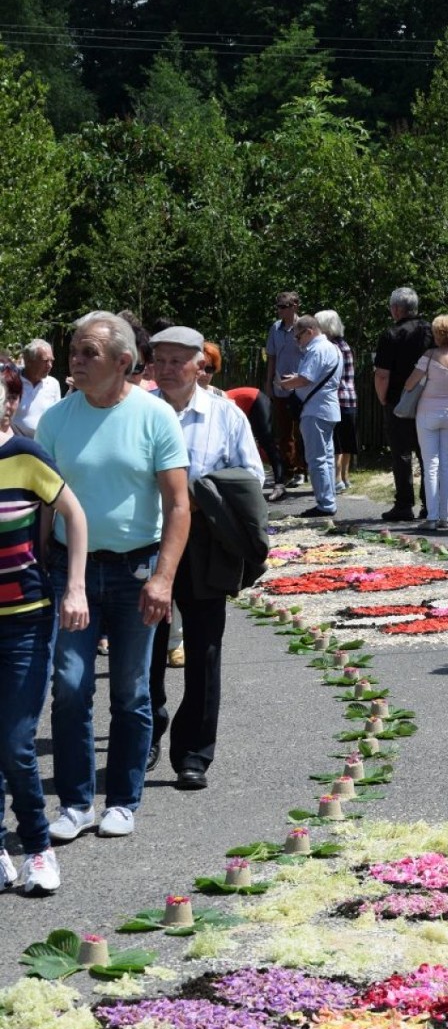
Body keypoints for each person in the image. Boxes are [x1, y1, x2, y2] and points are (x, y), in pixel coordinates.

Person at [37, 312, 190, 842]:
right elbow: (43, 505)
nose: (75, 361)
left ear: (123, 362)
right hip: (69, 573)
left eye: (88, 353)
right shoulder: (57, 419)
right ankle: (76, 803)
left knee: (129, 691)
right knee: (71, 686)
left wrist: (163, 579)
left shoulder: (154, 416)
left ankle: (122, 800)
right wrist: (37, 571)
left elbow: (177, 505)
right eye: (74, 350)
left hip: (137, 571)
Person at [148, 326, 266, 788]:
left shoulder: (225, 415)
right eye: (160, 360)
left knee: (203, 647)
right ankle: (147, 734)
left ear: (202, 365)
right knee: (146, 649)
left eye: (179, 360)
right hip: (147, 539)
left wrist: (200, 495)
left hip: (204, 539)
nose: (168, 369)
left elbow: (250, 476)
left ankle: (194, 752)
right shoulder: (140, 412)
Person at [0, 370, 89, 894]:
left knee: (14, 743)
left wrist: (74, 587)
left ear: (10, 403)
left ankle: (37, 847)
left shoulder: (26, 455)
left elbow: (74, 516)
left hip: (25, 623)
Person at [400, 313, 448, 529]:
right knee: (447, 465)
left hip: (427, 412)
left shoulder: (429, 356)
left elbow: (409, 383)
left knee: (430, 464)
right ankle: (446, 516)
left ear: (437, 334)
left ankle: (431, 516)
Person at [374, 286, 433, 521]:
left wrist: (382, 397)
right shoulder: (430, 331)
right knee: (426, 453)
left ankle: (404, 504)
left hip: (399, 398)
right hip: (428, 397)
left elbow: (381, 374)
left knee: (401, 453)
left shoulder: (391, 334)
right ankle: (430, 504)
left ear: (397, 309)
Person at [279, 316, 343, 518]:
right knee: (327, 457)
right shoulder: (333, 348)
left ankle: (324, 504)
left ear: (309, 331)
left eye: (298, 337)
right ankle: (329, 497)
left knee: (316, 458)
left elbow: (306, 378)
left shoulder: (317, 349)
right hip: (327, 408)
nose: (298, 342)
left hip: (315, 410)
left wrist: (285, 384)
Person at [265, 292, 307, 489]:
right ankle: (288, 470)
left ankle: (301, 469)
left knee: (302, 430)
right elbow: (271, 357)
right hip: (281, 385)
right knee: (284, 431)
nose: (280, 309)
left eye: (284, 306)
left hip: (300, 385)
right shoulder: (275, 328)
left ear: (295, 306)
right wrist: (268, 381)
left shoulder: (304, 327)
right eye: (278, 306)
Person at [315, 310, 358, 492]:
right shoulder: (345, 345)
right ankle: (345, 477)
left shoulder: (331, 348)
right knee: (347, 440)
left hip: (336, 398)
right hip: (350, 397)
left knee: (337, 442)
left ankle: (337, 478)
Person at [225, 385, 287, 500]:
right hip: (248, 403)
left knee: (267, 441)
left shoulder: (214, 402)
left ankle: (280, 484)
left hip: (256, 400)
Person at [12, 339, 61, 438]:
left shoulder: (53, 384)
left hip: (43, 444)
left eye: (51, 361)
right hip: (15, 444)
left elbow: (57, 417)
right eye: (45, 361)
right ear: (28, 361)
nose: (50, 366)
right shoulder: (12, 381)